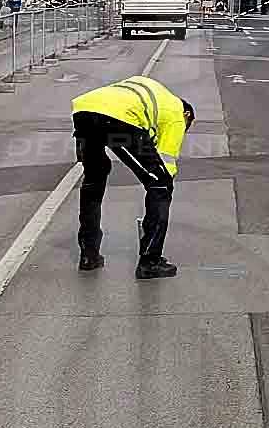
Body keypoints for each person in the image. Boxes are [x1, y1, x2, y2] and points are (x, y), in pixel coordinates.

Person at [66, 71, 188, 278]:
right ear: (187, 115)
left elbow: (143, 135)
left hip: (83, 112)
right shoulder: (177, 114)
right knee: (161, 185)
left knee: (95, 177)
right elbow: (166, 164)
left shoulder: (153, 93)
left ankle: (89, 255)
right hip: (116, 119)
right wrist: (161, 180)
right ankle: (150, 262)